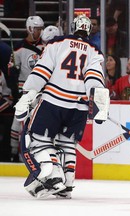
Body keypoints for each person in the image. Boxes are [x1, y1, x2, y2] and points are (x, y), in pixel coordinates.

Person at [13, 14, 108, 199]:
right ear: (89, 30)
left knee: (38, 139)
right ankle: (68, 184)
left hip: (53, 101)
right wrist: (100, 103)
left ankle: (54, 176)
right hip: (79, 107)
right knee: (67, 143)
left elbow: (42, 71)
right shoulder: (95, 52)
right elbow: (95, 79)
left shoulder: (57, 43)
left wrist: (28, 93)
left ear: (73, 27)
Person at [9, 15, 45, 161]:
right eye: (37, 29)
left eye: (41, 29)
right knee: (18, 121)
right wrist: (13, 71)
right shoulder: (18, 48)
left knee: (37, 122)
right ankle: (13, 153)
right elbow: (10, 71)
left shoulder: (46, 46)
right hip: (24, 90)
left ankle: (36, 154)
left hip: (41, 90)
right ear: (30, 29)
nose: (40, 32)